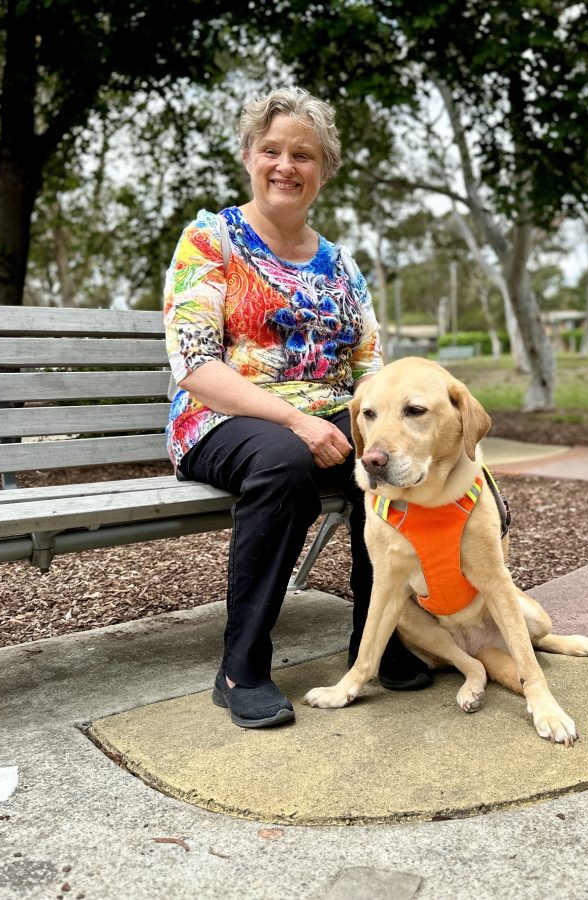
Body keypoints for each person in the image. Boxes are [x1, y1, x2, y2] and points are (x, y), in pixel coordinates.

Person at [162, 88, 431, 729]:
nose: (286, 165)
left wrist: (384, 429)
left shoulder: (341, 266)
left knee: (384, 459)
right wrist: (296, 421)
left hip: (328, 416)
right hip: (222, 419)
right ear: (250, 157)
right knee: (283, 462)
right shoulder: (211, 241)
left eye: (303, 155)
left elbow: (371, 372)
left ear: (323, 170)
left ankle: (377, 641)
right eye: (273, 150)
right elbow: (196, 366)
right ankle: (241, 668)